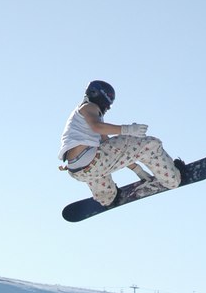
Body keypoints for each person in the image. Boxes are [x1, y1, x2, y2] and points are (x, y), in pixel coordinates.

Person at [59, 80, 189, 207]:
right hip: (94, 160)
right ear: (102, 96)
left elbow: (113, 149)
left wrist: (137, 170)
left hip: (80, 170)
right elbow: (97, 127)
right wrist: (127, 129)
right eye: (110, 100)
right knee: (149, 145)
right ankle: (173, 178)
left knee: (103, 174)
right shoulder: (89, 107)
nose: (109, 106)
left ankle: (107, 197)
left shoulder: (79, 117)